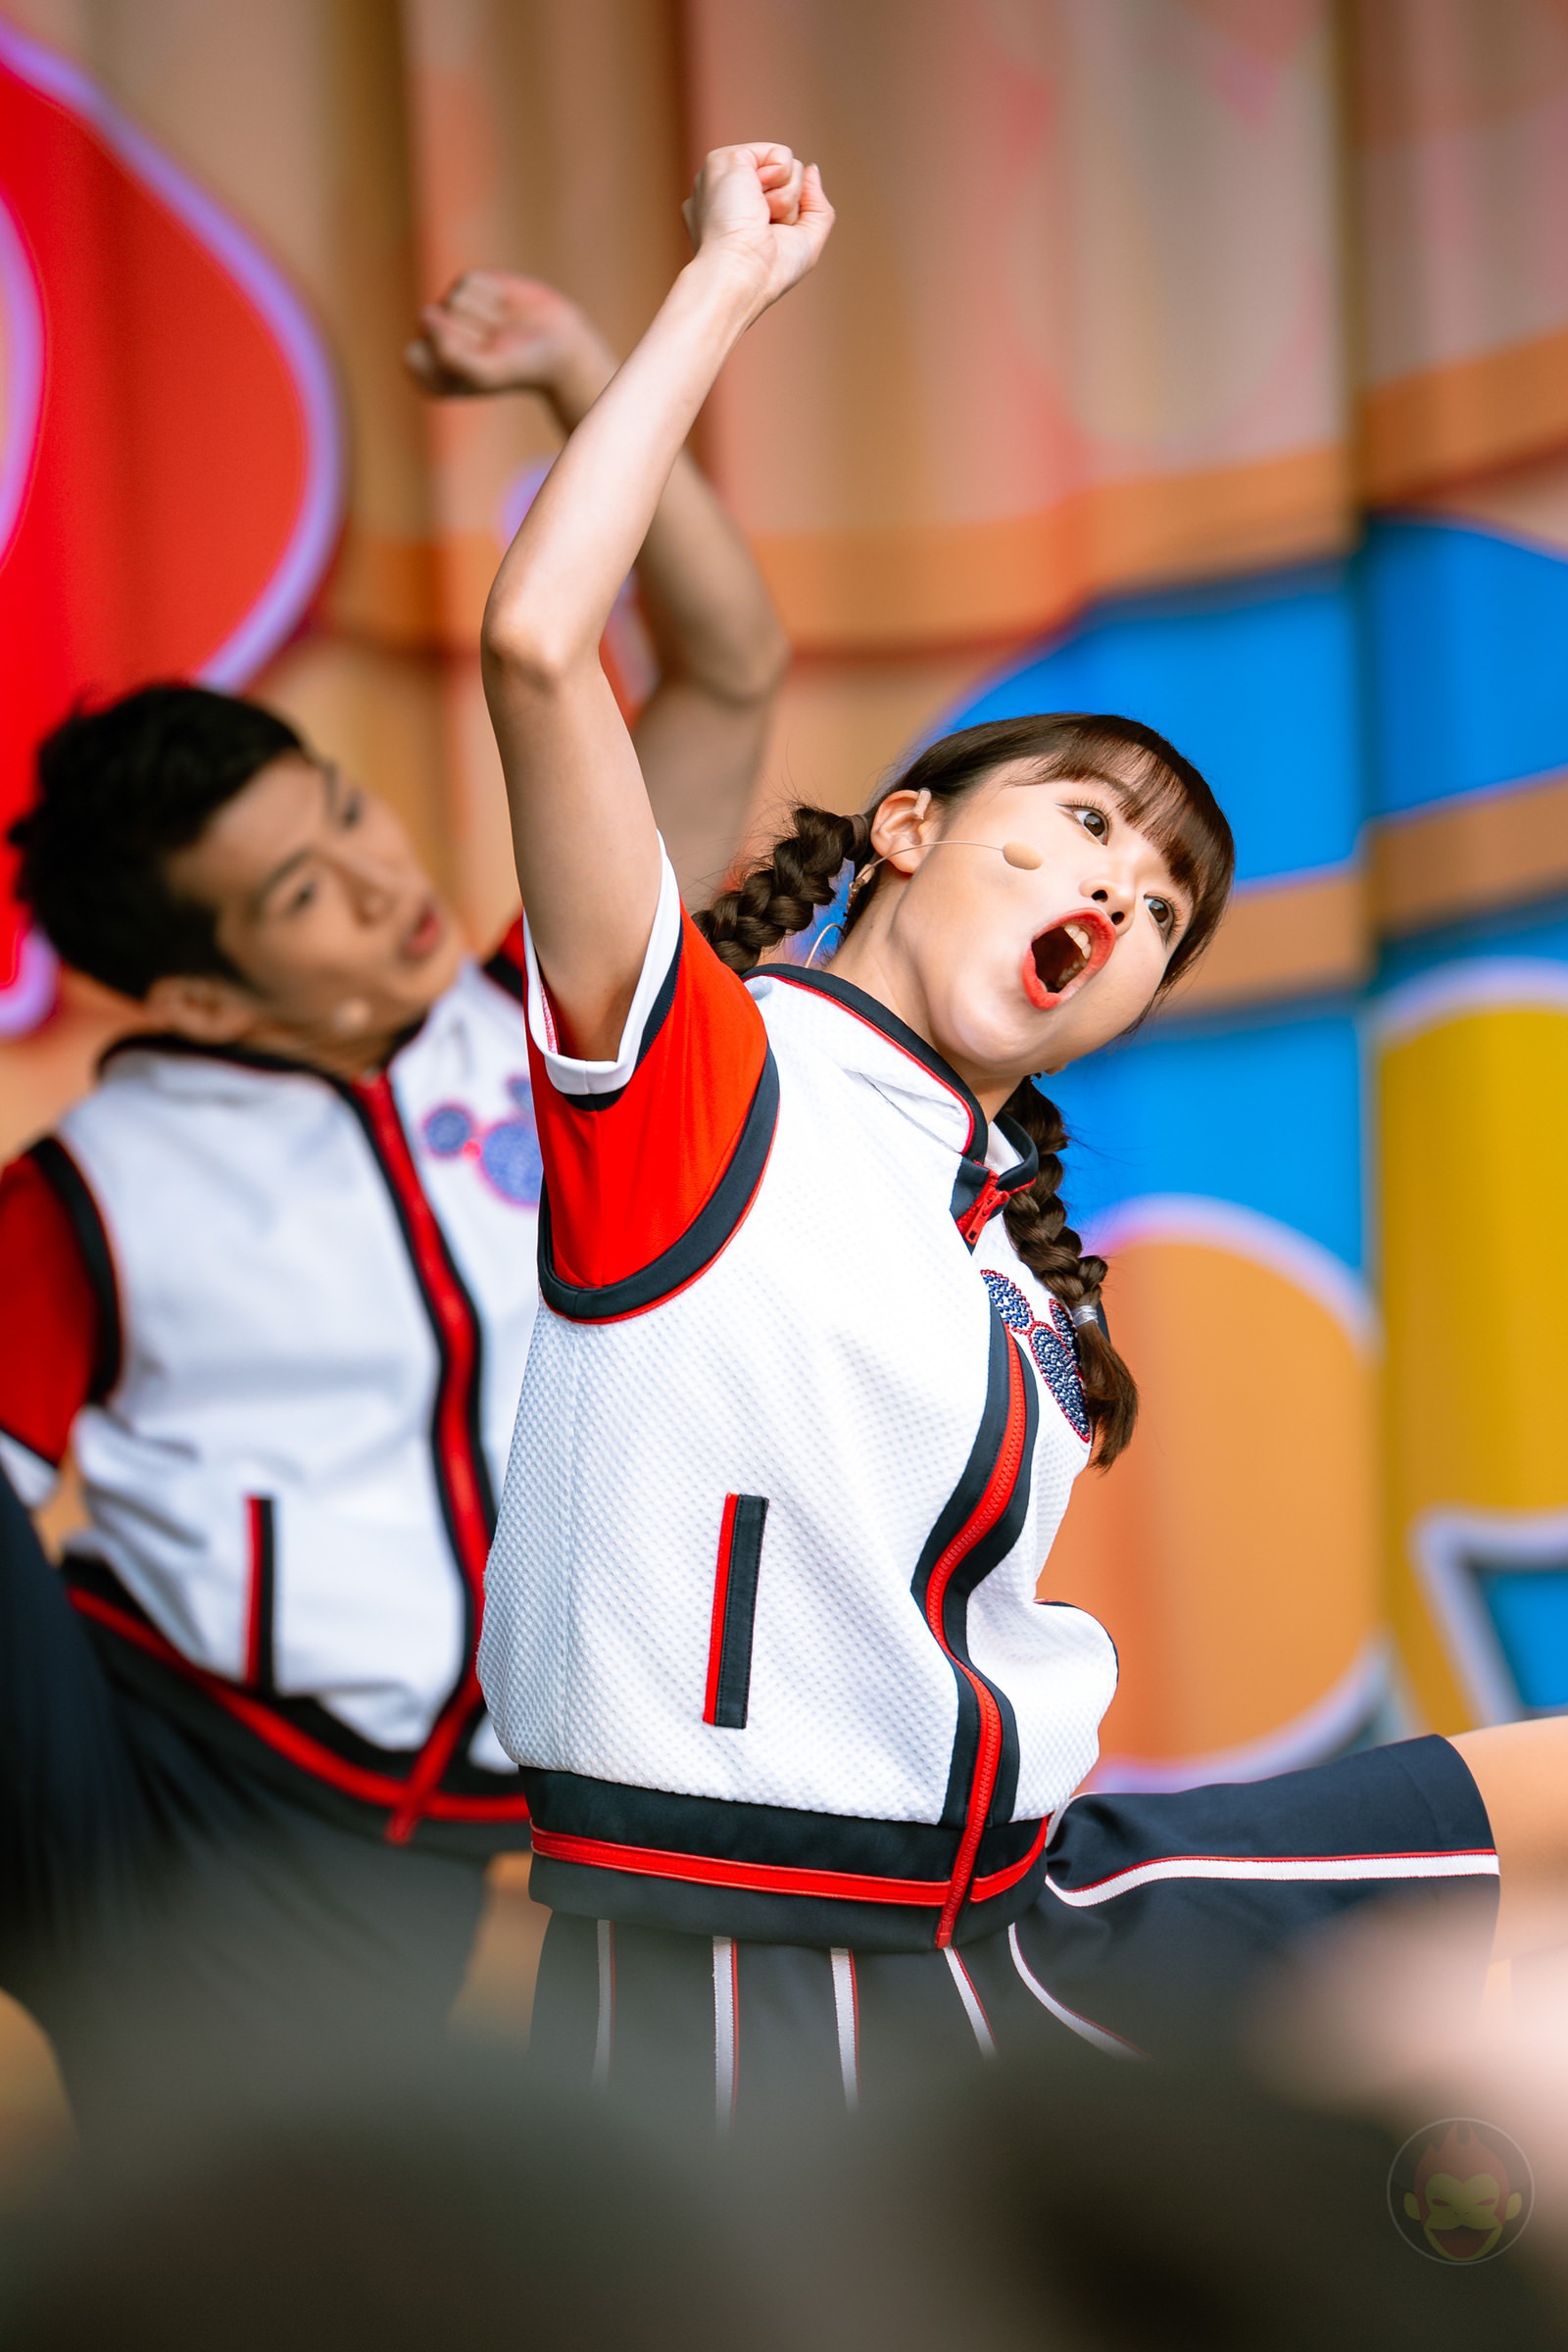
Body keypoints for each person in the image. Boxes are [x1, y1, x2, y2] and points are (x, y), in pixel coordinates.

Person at [473, 140, 1568, 2128]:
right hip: (760, 1979)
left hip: (1010, 1933)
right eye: (1083, 823)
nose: (1120, 894)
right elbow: (544, 642)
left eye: (1160, 907)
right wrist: (723, 282)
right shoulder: (703, 1074)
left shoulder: (990, 1231)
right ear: (908, 827)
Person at [0, 270, 788, 2094]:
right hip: (195, 1784)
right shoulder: (96, 1192)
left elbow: (733, 666)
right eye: (294, 896)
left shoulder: (550, 1007)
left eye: (343, 811)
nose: (376, 880)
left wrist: (585, 370)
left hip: (429, 1836)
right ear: (198, 993)